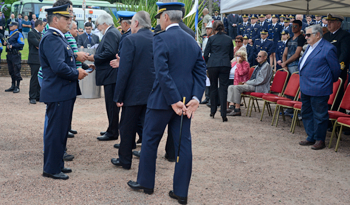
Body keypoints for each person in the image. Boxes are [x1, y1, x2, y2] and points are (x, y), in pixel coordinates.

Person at [127, 3, 206, 204]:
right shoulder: (192, 41)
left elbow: (162, 72)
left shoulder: (160, 38)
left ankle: (146, 183)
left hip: (163, 101)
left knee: (150, 141)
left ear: (165, 18)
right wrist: (195, 98)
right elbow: (200, 72)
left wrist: (173, 100)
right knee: (183, 147)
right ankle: (181, 192)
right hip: (186, 103)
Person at [40, 4, 88, 180]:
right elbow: (58, 66)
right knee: (55, 131)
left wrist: (81, 67)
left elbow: (65, 61)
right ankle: (51, 169)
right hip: (58, 92)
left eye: (70, 18)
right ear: (55, 19)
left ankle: (57, 164)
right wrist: (77, 73)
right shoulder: (52, 38)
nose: (70, 22)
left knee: (61, 132)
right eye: (66, 19)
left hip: (63, 91)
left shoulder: (59, 37)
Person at [110, 11, 155, 170]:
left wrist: (118, 96)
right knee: (147, 128)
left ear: (136, 23)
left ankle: (125, 160)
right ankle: (148, 161)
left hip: (133, 93)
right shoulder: (156, 38)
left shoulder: (130, 40)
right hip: (152, 93)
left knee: (127, 127)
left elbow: (124, 71)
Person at [298, 24, 341, 150]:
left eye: (308, 35)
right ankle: (311, 137)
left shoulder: (328, 48)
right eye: (305, 34)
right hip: (306, 86)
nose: (305, 37)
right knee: (306, 112)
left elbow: (335, 70)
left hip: (319, 87)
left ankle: (319, 139)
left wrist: (325, 82)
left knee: (320, 115)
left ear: (317, 35)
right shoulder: (309, 47)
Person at [86, 13, 121, 141]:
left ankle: (112, 132)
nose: (97, 28)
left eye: (98, 25)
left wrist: (94, 57)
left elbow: (110, 52)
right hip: (111, 74)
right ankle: (111, 128)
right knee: (111, 105)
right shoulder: (112, 32)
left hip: (111, 75)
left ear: (104, 23)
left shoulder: (111, 33)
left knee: (111, 106)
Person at [226, 51, 272, 116]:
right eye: (257, 56)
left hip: (259, 87)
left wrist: (247, 82)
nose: (257, 58)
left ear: (265, 57)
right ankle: (230, 107)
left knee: (236, 87)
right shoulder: (258, 66)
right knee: (231, 86)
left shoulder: (266, 66)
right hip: (253, 84)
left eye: (260, 56)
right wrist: (246, 83)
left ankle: (237, 109)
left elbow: (260, 81)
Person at [204, 20, 233, 122]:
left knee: (213, 87)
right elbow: (231, 55)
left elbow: (206, 53)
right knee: (223, 88)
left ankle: (213, 110)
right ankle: (223, 113)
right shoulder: (229, 39)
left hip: (213, 64)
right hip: (225, 64)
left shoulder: (211, 39)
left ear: (214, 28)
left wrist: (209, 63)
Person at [323, 13, 350, 111]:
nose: (328, 24)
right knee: (325, 95)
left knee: (336, 94)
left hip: (336, 71)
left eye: (331, 22)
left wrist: (337, 69)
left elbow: (344, 54)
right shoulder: (325, 36)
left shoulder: (344, 35)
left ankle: (334, 118)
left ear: (339, 24)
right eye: (328, 22)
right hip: (324, 70)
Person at [3, 22, 24, 93]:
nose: (10, 27)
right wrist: (6, 44)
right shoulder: (11, 33)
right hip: (9, 54)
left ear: (15, 26)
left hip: (15, 54)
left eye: (11, 26)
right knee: (11, 70)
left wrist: (12, 46)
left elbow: (21, 44)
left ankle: (17, 87)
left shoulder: (18, 33)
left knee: (16, 70)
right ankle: (13, 85)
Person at [28, 20, 44, 104]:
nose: (43, 28)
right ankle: (32, 96)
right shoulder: (31, 33)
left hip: (40, 59)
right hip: (34, 59)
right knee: (34, 78)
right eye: (43, 26)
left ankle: (38, 95)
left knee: (39, 78)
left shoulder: (40, 34)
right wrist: (39, 43)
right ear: (39, 25)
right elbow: (38, 44)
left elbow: (41, 44)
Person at [200, 21, 213, 105]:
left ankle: (211, 97)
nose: (207, 30)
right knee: (206, 79)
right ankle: (207, 96)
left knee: (211, 79)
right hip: (205, 61)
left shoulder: (213, 38)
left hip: (211, 60)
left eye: (209, 28)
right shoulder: (206, 39)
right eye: (207, 28)